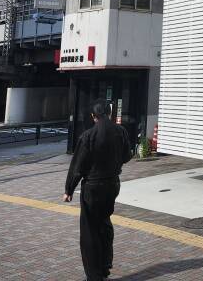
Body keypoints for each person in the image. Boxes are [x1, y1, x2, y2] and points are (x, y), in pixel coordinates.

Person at [63, 99, 132, 281]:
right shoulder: (121, 131)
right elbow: (127, 156)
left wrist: (69, 189)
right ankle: (105, 266)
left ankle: (94, 275)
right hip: (112, 185)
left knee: (89, 231)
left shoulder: (88, 135)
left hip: (92, 187)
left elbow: (78, 165)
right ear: (109, 113)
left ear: (93, 116)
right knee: (105, 223)